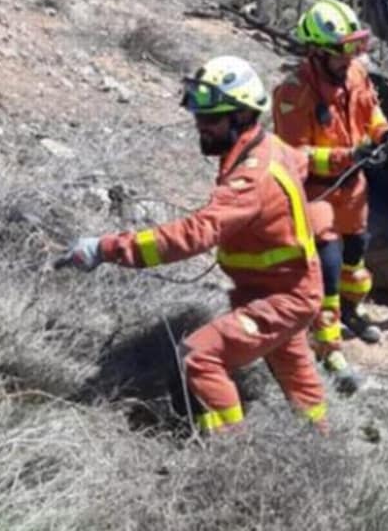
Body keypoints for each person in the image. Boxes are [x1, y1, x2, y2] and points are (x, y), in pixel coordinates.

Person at [56, 56, 328, 434]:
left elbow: (193, 235)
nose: (201, 127)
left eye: (211, 119)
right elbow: (302, 160)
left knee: (199, 356)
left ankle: (230, 453)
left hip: (283, 297)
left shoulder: (250, 179)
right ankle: (321, 438)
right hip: (280, 288)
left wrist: (107, 248)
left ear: (242, 116)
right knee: (296, 374)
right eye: (199, 117)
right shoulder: (269, 146)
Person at [272, 0, 388, 394]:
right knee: (329, 269)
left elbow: (371, 115)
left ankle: (352, 311)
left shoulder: (355, 74)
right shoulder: (294, 92)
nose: (351, 57)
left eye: (355, 48)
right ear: (317, 51)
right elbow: (293, 155)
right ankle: (329, 347)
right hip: (316, 196)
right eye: (342, 51)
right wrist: (346, 154)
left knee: (356, 256)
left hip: (353, 191)